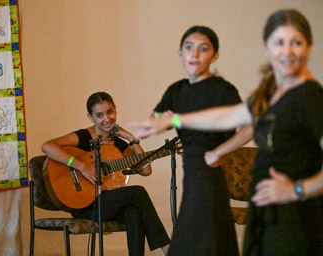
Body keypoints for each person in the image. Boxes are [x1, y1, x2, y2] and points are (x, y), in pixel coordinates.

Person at [130, 9, 323, 256]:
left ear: (309, 46)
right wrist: (170, 119)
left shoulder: (310, 96)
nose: (286, 51)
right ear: (266, 48)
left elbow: (239, 123)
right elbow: (227, 116)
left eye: (295, 42)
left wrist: (297, 190)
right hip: (265, 212)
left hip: (295, 218)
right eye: (279, 43)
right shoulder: (270, 94)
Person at [41, 92, 170, 256]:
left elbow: (146, 170)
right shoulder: (83, 137)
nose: (106, 119)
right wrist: (81, 166)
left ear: (115, 110)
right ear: (90, 117)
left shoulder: (118, 143)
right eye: (99, 115)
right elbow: (47, 146)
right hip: (84, 205)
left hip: (107, 203)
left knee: (133, 213)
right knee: (138, 193)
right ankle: (169, 249)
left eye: (110, 112)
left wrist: (131, 138)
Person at [150, 25, 241, 255]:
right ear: (180, 53)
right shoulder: (177, 90)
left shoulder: (222, 89)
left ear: (215, 56)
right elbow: (155, 119)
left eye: (203, 49)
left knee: (200, 240)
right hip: (191, 172)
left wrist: (220, 152)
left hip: (210, 174)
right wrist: (161, 118)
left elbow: (248, 127)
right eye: (189, 48)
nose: (195, 54)